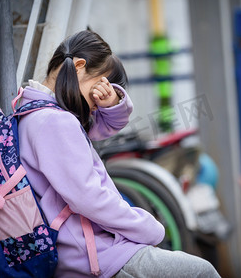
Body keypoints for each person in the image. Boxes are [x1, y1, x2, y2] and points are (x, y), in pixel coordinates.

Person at [18, 30, 220, 278]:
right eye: (97, 89)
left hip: (82, 249)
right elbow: (88, 197)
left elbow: (99, 128)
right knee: (201, 272)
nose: (95, 102)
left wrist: (112, 103)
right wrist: (148, 227)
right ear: (79, 66)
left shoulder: (34, 112)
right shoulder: (56, 122)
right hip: (92, 256)